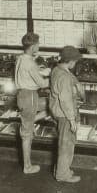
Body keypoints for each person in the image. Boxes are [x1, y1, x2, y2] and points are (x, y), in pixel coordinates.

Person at [49, 45, 85, 185]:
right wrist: (72, 120)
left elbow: (69, 78)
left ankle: (61, 169)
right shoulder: (64, 76)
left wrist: (76, 83)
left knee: (65, 143)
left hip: (59, 112)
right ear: (70, 61)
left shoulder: (57, 70)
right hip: (65, 115)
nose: (75, 64)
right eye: (75, 61)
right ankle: (62, 175)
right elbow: (65, 100)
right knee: (67, 145)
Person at [15, 32, 49, 174]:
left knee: (27, 126)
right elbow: (42, 84)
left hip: (22, 96)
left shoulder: (21, 58)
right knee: (27, 133)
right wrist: (54, 75)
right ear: (33, 46)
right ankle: (27, 167)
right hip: (30, 96)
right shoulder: (30, 63)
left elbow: (30, 72)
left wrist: (40, 70)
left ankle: (28, 125)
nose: (39, 46)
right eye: (38, 44)